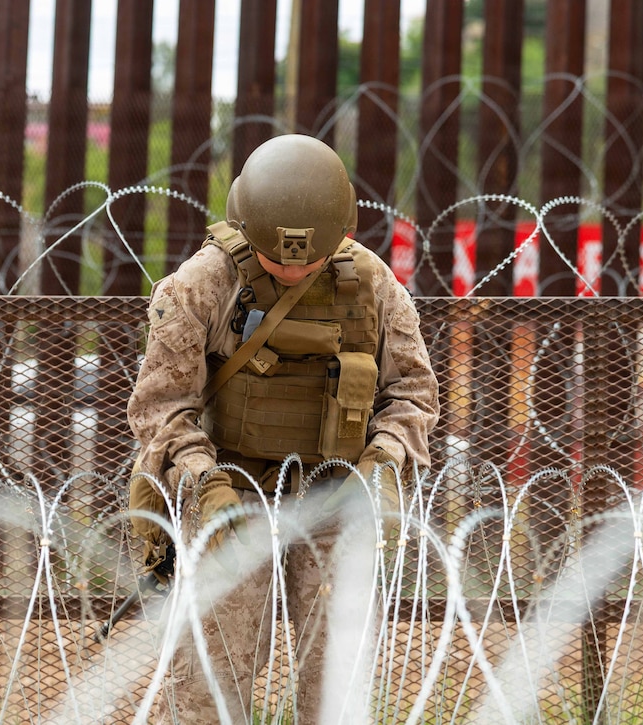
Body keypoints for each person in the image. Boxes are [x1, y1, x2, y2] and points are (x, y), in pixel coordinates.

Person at [127, 133, 439, 723]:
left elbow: (414, 392)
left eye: (308, 257)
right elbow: (162, 405)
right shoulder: (203, 285)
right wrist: (203, 478)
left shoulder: (372, 285)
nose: (294, 267)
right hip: (231, 492)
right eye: (279, 257)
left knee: (336, 680)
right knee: (211, 681)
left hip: (335, 491)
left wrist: (381, 463)